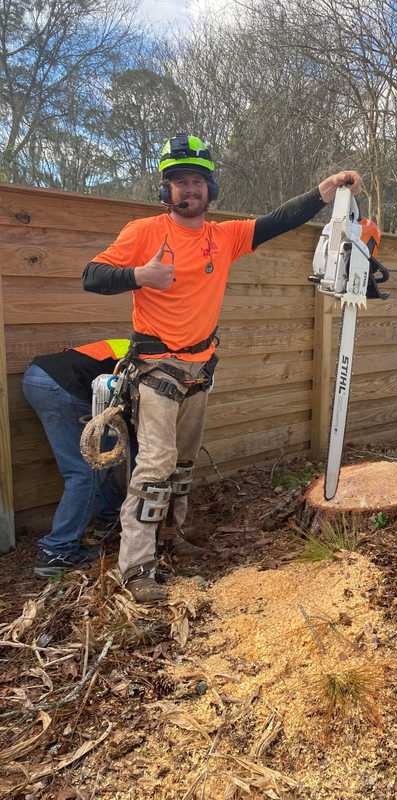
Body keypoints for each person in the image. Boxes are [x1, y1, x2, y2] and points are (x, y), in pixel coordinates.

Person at [82, 131, 363, 603]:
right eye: (178, 182)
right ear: (165, 191)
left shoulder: (223, 237)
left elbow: (276, 222)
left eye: (196, 181)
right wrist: (139, 276)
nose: (188, 190)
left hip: (198, 368)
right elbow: (92, 276)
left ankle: (174, 536)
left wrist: (323, 193)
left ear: (210, 190)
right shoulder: (143, 232)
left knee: (183, 464)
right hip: (155, 368)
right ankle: (136, 568)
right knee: (155, 466)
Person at [22, 339, 131, 577]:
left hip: (38, 376)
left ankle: (107, 514)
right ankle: (57, 551)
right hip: (64, 388)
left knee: (107, 455)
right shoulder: (150, 358)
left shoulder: (127, 344)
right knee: (88, 469)